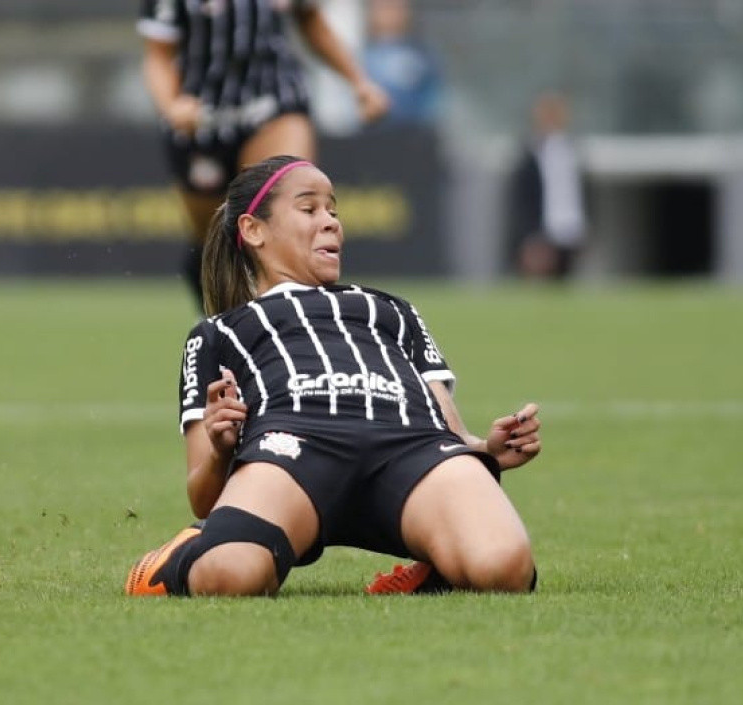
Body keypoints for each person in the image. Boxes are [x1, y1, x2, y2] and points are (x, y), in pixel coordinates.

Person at [125, 155, 542, 597]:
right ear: (253, 230)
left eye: (333, 211)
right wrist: (220, 451)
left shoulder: (392, 309)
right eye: (309, 210)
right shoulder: (219, 332)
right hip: (290, 451)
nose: (331, 223)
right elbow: (202, 495)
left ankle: (436, 564)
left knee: (505, 570)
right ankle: (180, 559)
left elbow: (448, 424)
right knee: (231, 575)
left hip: (409, 448)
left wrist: (487, 449)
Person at [138, 0, 390, 310]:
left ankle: (298, 319)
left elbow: (311, 21)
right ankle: (220, 321)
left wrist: (359, 82)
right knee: (215, 236)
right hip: (202, 119)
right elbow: (159, 54)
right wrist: (171, 105)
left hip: (274, 103)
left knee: (288, 198)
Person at [508, 92, 587, 279]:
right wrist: (529, 236)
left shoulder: (572, 151)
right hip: (540, 233)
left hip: (570, 230)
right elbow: (521, 200)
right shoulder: (529, 154)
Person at [362, 0, 443, 126]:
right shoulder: (358, 54)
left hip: (410, 134)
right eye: (384, 8)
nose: (390, 15)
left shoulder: (422, 55)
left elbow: (434, 99)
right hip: (369, 133)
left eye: (396, 8)